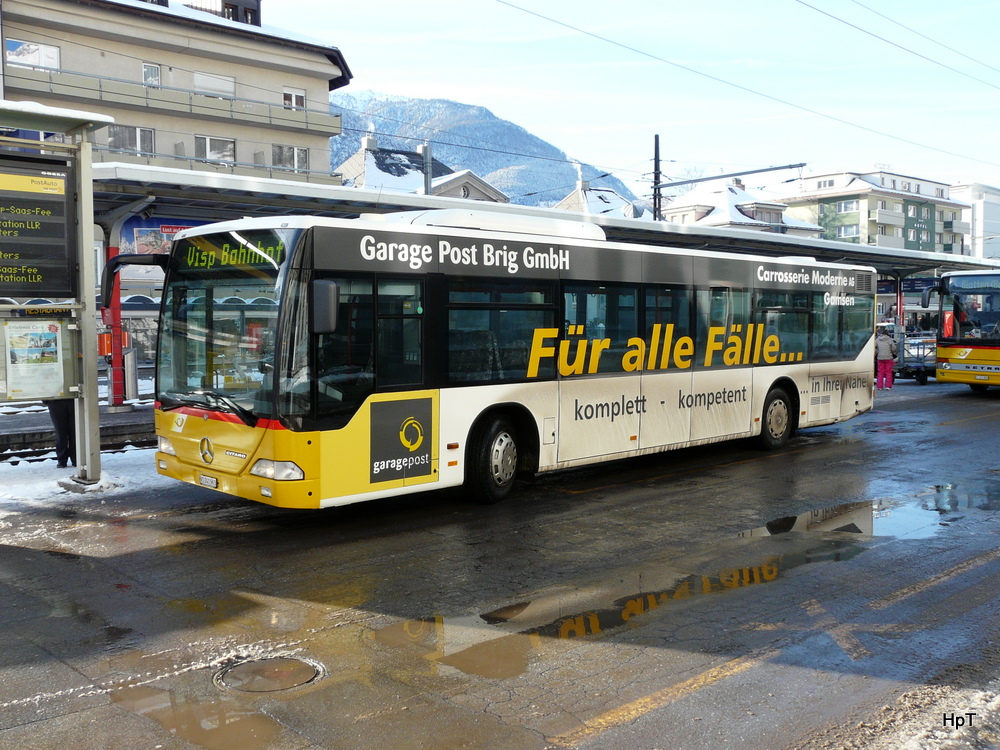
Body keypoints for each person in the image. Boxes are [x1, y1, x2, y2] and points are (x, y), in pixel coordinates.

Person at [43, 397, 77, 469]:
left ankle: (63, 460)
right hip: (70, 399)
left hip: (57, 400)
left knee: (64, 432)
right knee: (72, 432)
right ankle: (74, 458)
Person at [875, 327, 898, 391]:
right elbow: (894, 348)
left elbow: (874, 346)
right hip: (888, 357)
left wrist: (877, 352)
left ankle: (879, 386)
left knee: (880, 372)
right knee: (888, 372)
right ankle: (888, 386)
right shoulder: (889, 339)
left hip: (880, 358)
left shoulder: (877, 339)